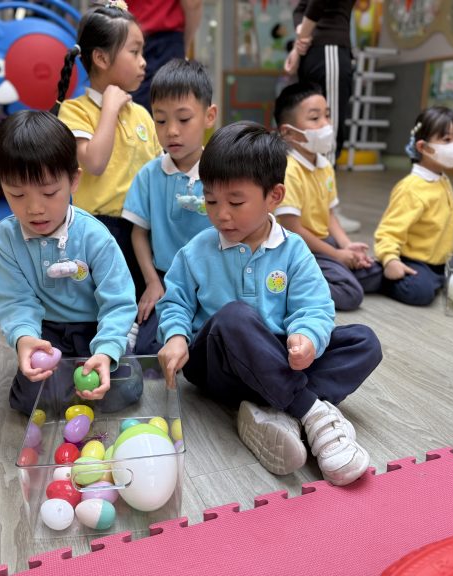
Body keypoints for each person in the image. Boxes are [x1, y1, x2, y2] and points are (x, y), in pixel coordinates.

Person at [156, 121, 382, 485]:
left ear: (274, 196)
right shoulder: (196, 250)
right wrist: (176, 337)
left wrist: (306, 337)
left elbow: (315, 308)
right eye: (211, 201)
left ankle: (273, 410)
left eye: (236, 202)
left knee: (364, 343)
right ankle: (309, 411)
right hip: (219, 366)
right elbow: (175, 301)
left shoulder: (294, 250)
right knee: (234, 317)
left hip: (278, 359)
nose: (221, 214)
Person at [0, 110, 138, 416]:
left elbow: (118, 300)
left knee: (125, 390)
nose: (34, 208)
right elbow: (16, 301)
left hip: (94, 325)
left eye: (49, 192)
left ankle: (119, 343)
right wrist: (26, 339)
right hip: (46, 331)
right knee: (31, 400)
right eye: (17, 194)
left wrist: (106, 349)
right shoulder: (5, 239)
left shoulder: (95, 236)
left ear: (74, 180)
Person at [53, 1, 163, 296]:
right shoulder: (76, 111)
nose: (143, 61)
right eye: (134, 52)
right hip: (99, 229)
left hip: (142, 229)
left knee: (139, 298)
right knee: (104, 301)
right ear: (101, 58)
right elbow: (95, 162)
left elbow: (158, 170)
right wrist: (110, 109)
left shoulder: (141, 114)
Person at [122, 58, 217, 354]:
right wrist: (152, 282)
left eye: (183, 119)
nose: (171, 131)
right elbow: (139, 233)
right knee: (148, 349)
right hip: (167, 280)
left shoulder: (221, 172)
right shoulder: (149, 175)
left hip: (215, 277)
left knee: (218, 337)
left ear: (209, 116)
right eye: (161, 121)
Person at [274, 82, 381, 311]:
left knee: (374, 272)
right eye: (315, 118)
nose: (325, 124)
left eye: (327, 115)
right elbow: (293, 229)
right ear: (288, 132)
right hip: (299, 249)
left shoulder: (324, 165)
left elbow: (329, 215)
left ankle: (332, 271)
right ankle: (284, 286)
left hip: (323, 243)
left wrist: (347, 246)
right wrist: (337, 255)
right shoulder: (289, 170)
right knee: (351, 293)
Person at [374, 106, 453, 306]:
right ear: (423, 147)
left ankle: (436, 278)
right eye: (447, 140)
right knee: (421, 293)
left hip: (439, 260)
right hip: (413, 259)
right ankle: (380, 275)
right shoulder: (411, 188)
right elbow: (388, 231)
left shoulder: (441, 178)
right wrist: (390, 259)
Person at [284, 0, 361, 233]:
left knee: (313, 131)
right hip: (329, 49)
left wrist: (300, 43)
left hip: (316, 51)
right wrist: (300, 43)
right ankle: (326, 213)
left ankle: (308, 207)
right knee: (327, 132)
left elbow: (301, 8)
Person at [129, 0, 203, 113]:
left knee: (125, 110)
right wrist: (184, 45)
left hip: (125, 37)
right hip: (166, 42)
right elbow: (193, 4)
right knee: (168, 112)